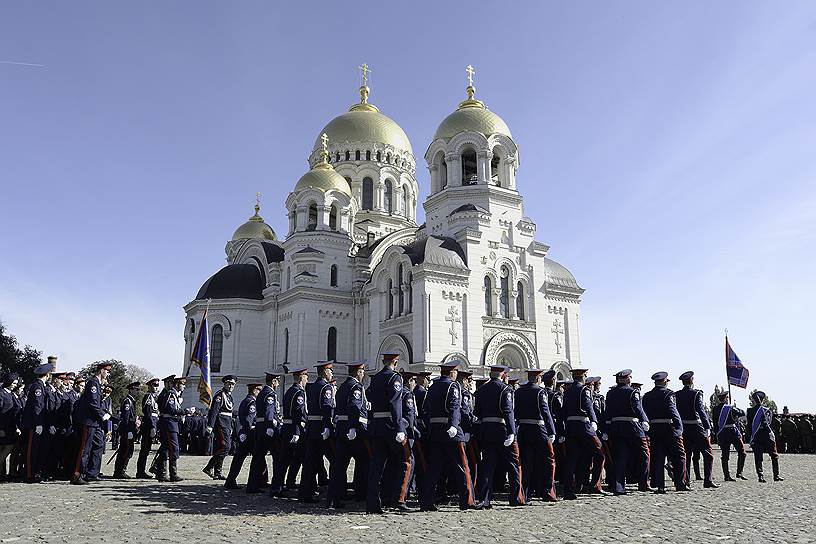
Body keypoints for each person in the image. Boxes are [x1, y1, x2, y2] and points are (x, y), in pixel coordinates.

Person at [418, 361, 477, 512]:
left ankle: (426, 502)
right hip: (451, 432)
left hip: (435, 432)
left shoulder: (432, 387)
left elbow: (425, 410)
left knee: (433, 469)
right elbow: (454, 407)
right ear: (452, 372)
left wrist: (430, 426)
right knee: (462, 467)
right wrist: (454, 425)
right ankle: (467, 501)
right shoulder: (453, 386)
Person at [474, 364, 524, 508]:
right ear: (502, 375)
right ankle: (515, 498)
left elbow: (477, 413)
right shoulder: (505, 390)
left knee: (487, 466)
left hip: (487, 431)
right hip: (502, 431)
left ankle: (485, 499)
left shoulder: (481, 390)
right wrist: (512, 432)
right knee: (513, 465)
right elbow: (508, 412)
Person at [366, 352, 409, 514]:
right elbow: (395, 403)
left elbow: (369, 398)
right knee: (403, 462)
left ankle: (373, 504)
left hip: (377, 425)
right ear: (395, 362)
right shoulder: (395, 378)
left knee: (376, 467)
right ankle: (396, 499)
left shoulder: (375, 378)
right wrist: (399, 427)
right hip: (391, 426)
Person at [328, 362, 370, 509]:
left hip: (341, 429)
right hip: (353, 431)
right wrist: (353, 427)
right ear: (358, 372)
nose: (363, 374)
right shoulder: (355, 387)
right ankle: (361, 492)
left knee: (339, 465)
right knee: (363, 461)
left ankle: (334, 497)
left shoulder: (342, 387)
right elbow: (354, 406)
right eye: (362, 372)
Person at [561, 368, 607, 500]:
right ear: (583, 377)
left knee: (572, 459)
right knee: (600, 453)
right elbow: (588, 406)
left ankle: (569, 489)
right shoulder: (584, 390)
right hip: (584, 426)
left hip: (570, 427)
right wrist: (594, 420)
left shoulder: (567, 391)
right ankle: (595, 485)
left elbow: (564, 410)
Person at [602, 369, 650, 495]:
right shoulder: (633, 392)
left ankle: (619, 487)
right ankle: (643, 483)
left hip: (616, 427)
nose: (630, 379)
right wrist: (644, 420)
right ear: (625, 379)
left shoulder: (611, 393)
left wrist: (606, 429)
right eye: (629, 377)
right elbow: (637, 408)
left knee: (620, 458)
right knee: (644, 454)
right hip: (632, 427)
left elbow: (608, 412)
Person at [514, 368, 557, 502]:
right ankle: (547, 492)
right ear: (538, 379)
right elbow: (545, 412)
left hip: (524, 431)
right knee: (547, 462)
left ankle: (524, 495)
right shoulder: (540, 392)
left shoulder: (519, 391)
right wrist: (552, 431)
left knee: (526, 464)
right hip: (539, 431)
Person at [642, 372, 689, 493]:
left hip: (654, 429)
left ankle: (660, 486)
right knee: (679, 456)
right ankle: (680, 484)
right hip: (669, 429)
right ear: (664, 381)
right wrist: (679, 428)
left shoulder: (647, 396)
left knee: (658, 458)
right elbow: (673, 411)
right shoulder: (669, 394)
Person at [71, 362, 112, 485]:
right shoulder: (93, 383)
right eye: (107, 371)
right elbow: (93, 403)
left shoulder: (98, 384)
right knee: (85, 448)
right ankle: (77, 475)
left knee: (98, 445)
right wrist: (102, 414)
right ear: (102, 371)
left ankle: (92, 473)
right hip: (89, 421)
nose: (108, 374)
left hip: (95, 422)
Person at [299, 361, 335, 503]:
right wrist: (327, 426)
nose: (331, 374)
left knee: (310, 462)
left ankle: (305, 493)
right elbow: (326, 407)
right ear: (325, 372)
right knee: (335, 460)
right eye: (330, 371)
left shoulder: (312, 387)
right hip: (321, 427)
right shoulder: (326, 387)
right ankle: (335, 493)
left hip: (312, 427)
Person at [675, 371, 717, 488]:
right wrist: (707, 426)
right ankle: (707, 480)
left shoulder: (677, 394)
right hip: (697, 427)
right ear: (692, 380)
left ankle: (685, 482)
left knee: (686, 456)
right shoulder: (697, 393)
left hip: (684, 428)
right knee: (708, 454)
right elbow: (701, 411)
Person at [245, 373, 280, 493]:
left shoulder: (261, 394)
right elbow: (269, 411)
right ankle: (276, 486)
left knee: (257, 458)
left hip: (260, 428)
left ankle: (252, 485)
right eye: (277, 381)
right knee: (277, 457)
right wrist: (270, 426)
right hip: (267, 428)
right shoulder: (270, 393)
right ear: (273, 381)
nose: (278, 384)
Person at [225, 382, 261, 490]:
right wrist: (246, 432)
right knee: (257, 459)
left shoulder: (244, 401)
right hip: (250, 434)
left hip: (244, 433)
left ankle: (230, 480)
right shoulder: (252, 403)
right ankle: (254, 484)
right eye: (259, 390)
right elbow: (249, 420)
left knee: (238, 459)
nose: (260, 393)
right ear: (254, 390)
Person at [203, 375, 237, 480]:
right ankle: (209, 467)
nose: (231, 386)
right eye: (229, 384)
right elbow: (214, 412)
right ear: (225, 384)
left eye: (233, 384)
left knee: (221, 447)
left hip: (227, 424)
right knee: (226, 447)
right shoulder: (220, 395)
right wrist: (210, 426)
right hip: (221, 424)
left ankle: (218, 472)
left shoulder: (229, 396)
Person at [747, 391, 783, 483]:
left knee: (759, 457)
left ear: (754, 400)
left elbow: (749, 426)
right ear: (762, 400)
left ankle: (761, 476)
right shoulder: (766, 410)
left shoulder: (751, 411)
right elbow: (770, 423)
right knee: (773, 455)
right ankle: (776, 475)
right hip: (766, 435)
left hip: (757, 435)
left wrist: (750, 438)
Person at [156, 376, 187, 482]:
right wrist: (184, 411)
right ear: (177, 384)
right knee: (174, 448)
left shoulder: (174, 395)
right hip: (169, 424)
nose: (184, 386)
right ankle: (172, 474)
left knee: (165, 448)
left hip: (171, 423)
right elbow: (171, 409)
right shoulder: (171, 394)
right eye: (182, 384)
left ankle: (161, 473)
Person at [712, 391, 747, 481]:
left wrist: (717, 436)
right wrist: (733, 407)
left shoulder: (715, 409)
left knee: (725, 455)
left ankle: (726, 475)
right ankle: (739, 472)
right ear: (726, 398)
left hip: (722, 433)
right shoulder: (730, 408)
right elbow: (742, 413)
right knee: (742, 452)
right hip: (732, 432)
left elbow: (715, 424)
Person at [113, 381, 140, 479]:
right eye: (136, 389)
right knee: (126, 450)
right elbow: (126, 417)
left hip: (130, 428)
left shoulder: (131, 401)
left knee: (127, 450)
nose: (137, 391)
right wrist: (128, 430)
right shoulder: (127, 401)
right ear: (131, 389)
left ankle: (120, 470)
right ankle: (119, 471)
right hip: (127, 429)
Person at [136, 378, 160, 479]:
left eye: (157, 385)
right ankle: (140, 472)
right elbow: (148, 413)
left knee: (147, 449)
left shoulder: (154, 397)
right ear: (149, 386)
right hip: (148, 426)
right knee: (144, 450)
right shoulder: (148, 397)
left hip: (152, 424)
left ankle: (142, 471)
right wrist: (152, 427)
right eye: (154, 385)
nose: (156, 387)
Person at [0, 373, 21, 480]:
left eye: (16, 383)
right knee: (6, 448)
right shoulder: (1, 393)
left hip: (11, 426)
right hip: (3, 427)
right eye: (13, 383)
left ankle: (3, 474)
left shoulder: (11, 394)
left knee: (9, 448)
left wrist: (16, 427)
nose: (14, 385)